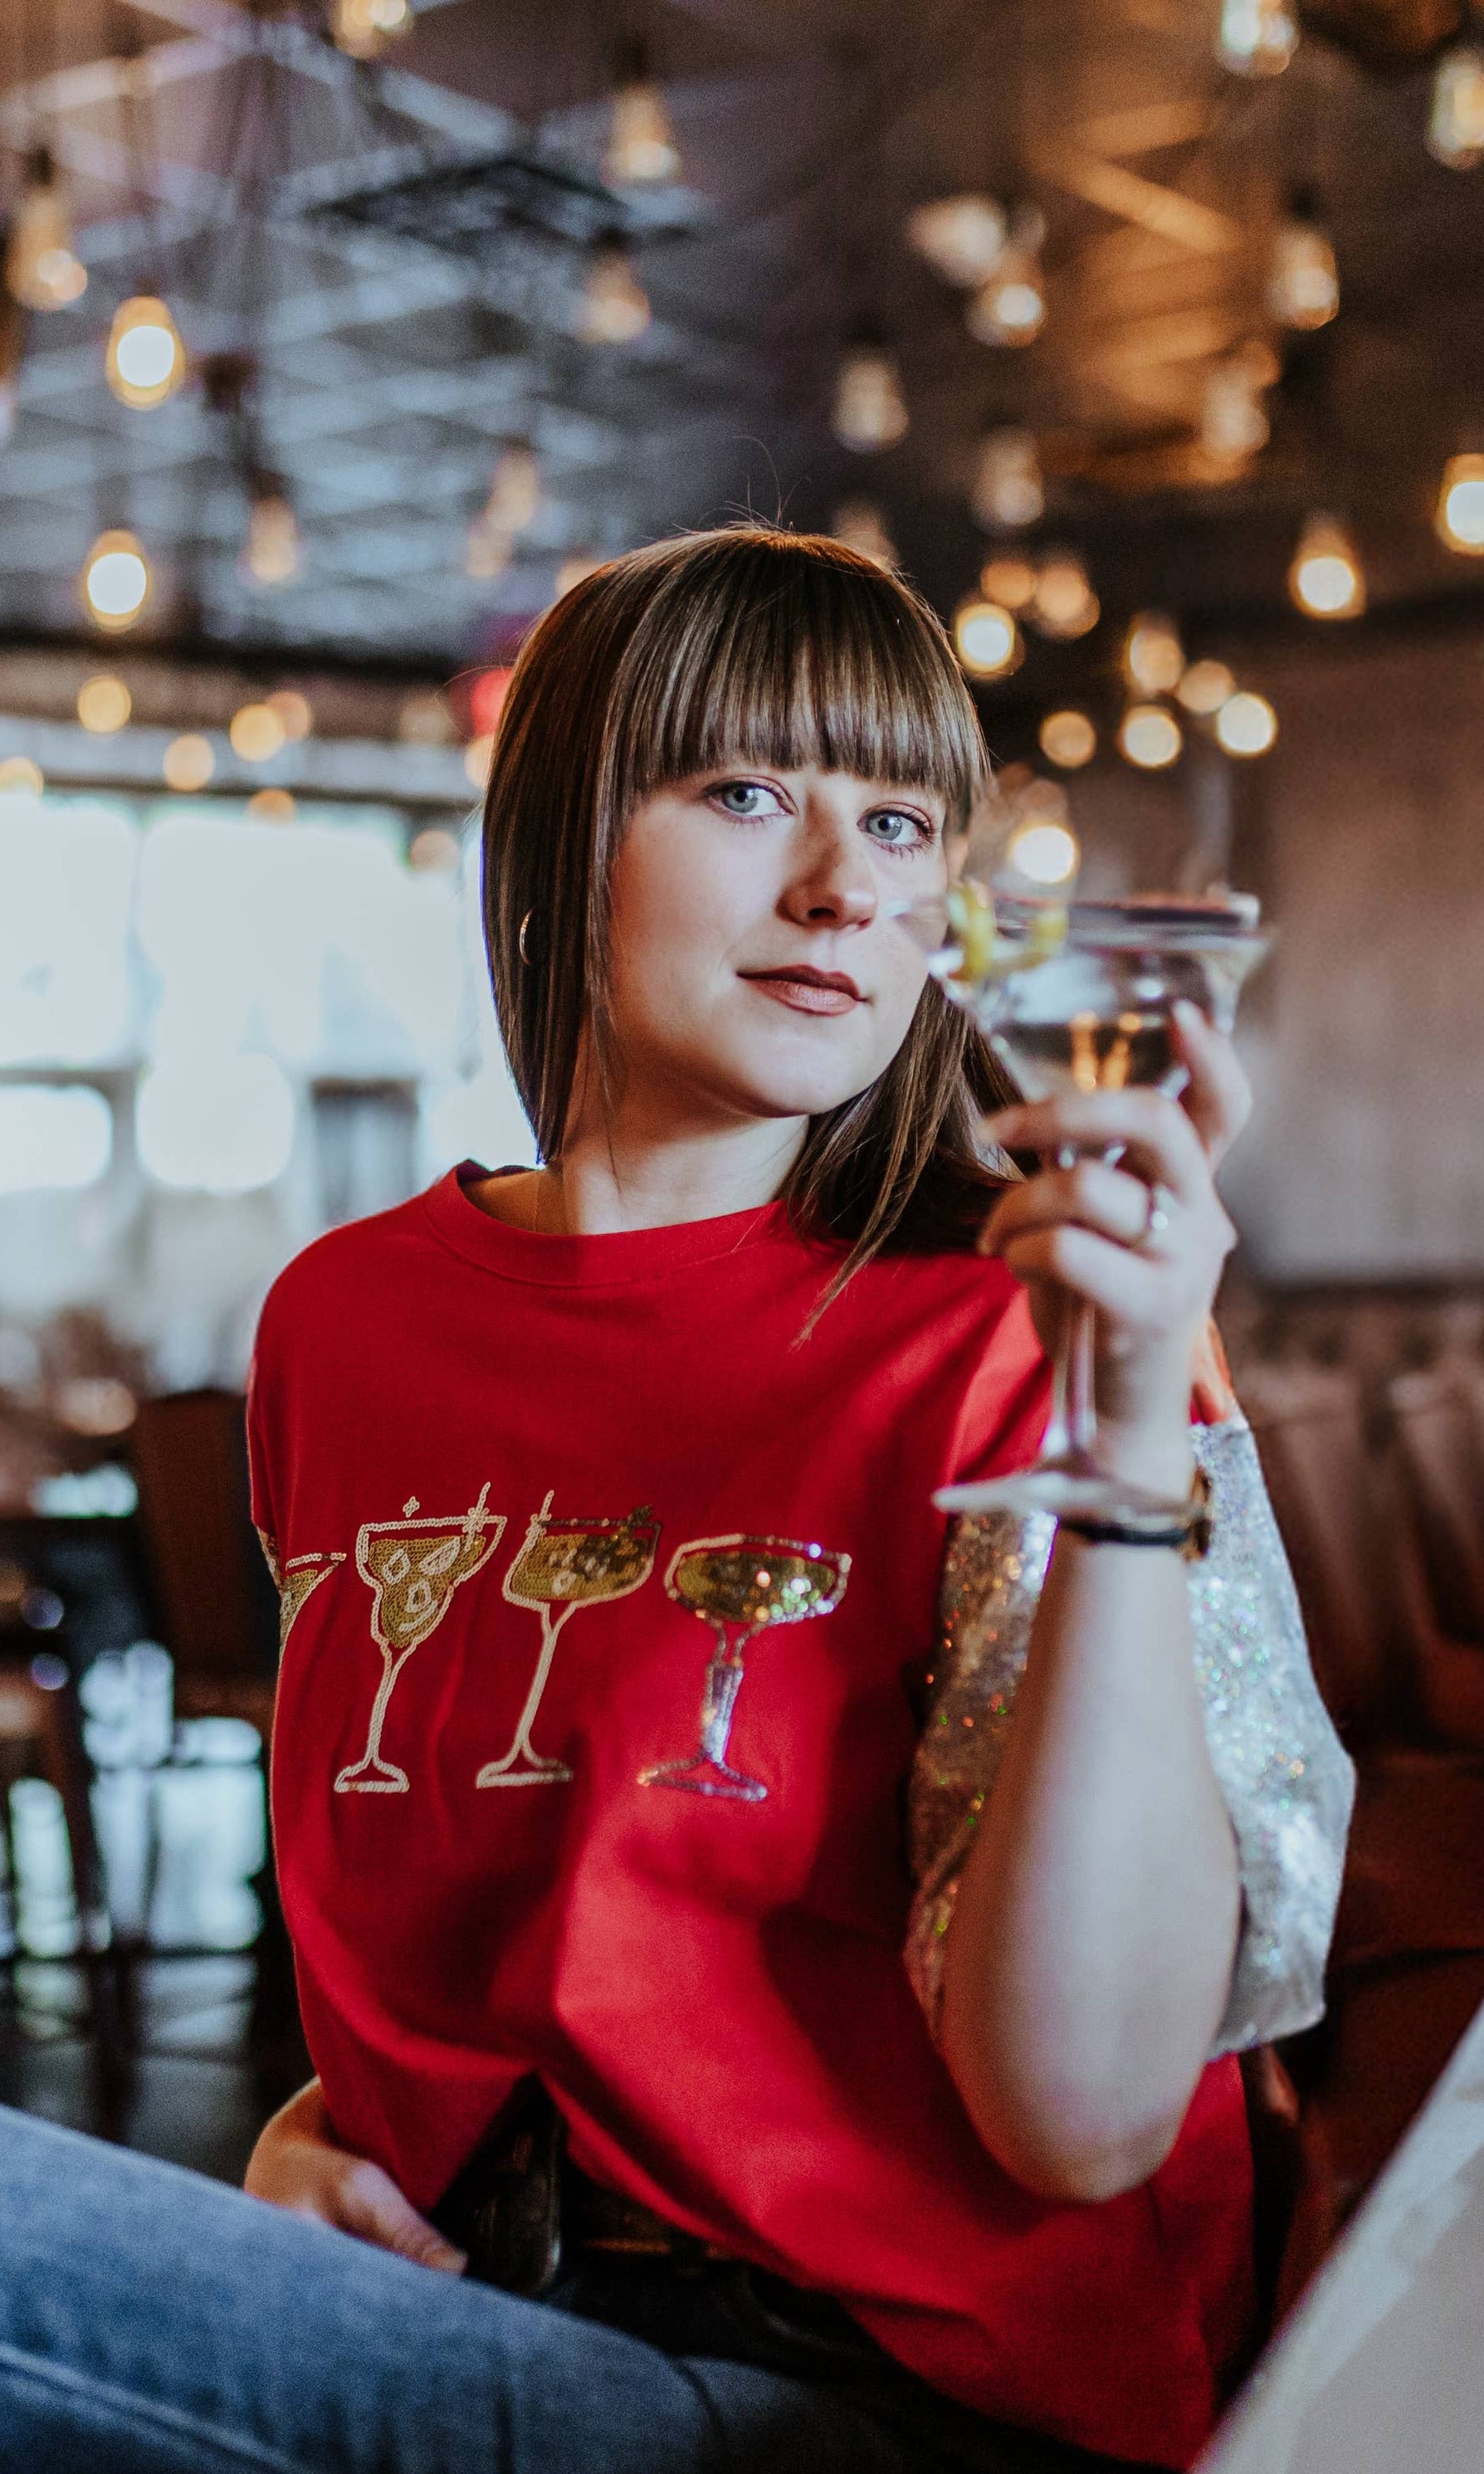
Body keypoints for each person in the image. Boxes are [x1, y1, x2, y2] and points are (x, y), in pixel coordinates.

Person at [0, 529, 1353, 2474]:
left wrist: (1133, 1443)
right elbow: (486, 1890)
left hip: (896, 2393)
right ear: (563, 837)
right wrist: (339, 2128)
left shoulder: (1010, 1335)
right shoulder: (346, 1324)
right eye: (743, 793)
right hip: (492, 2314)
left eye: (901, 825)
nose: (838, 887)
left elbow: (1086, 2121)